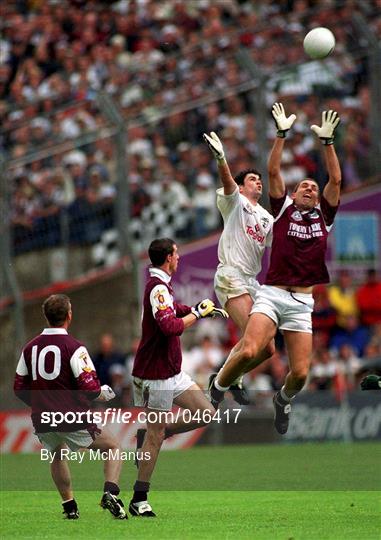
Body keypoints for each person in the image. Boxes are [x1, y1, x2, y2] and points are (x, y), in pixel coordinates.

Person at [209, 103, 342, 434]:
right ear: (292, 194)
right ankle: (218, 388)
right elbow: (270, 174)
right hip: (255, 286)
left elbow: (336, 180)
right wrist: (280, 136)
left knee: (294, 369)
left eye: (314, 186)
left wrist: (328, 143)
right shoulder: (269, 208)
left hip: (293, 299)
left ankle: (279, 398)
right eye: (304, 186)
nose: (310, 188)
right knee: (252, 347)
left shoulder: (306, 218)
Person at [129, 238, 228, 517]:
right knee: (155, 436)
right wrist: (197, 314)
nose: (179, 257)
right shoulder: (157, 287)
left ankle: (162, 433)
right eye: (176, 253)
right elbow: (170, 326)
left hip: (171, 372)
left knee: (206, 412)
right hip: (155, 375)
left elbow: (174, 309)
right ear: (168, 258)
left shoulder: (162, 286)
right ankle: (139, 499)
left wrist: (198, 308)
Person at [14, 294, 127, 520]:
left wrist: (40, 403)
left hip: (43, 418)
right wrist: (102, 393)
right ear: (69, 316)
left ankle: (70, 507)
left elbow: (19, 387)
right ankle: (110, 493)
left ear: (46, 317)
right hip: (71, 416)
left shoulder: (30, 348)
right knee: (113, 447)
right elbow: (89, 388)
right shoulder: (75, 347)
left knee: (57, 455)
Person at [203, 130, 274, 405]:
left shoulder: (266, 218)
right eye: (252, 179)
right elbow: (228, 181)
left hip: (252, 281)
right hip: (230, 274)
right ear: (243, 187)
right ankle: (222, 382)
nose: (258, 183)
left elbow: (281, 244)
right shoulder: (235, 202)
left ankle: (231, 376)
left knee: (267, 348)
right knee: (251, 338)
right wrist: (221, 158)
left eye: (260, 180)